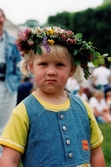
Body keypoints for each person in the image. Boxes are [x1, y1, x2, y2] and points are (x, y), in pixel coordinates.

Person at [0, 26, 106, 167]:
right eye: (43, 64)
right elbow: (9, 160)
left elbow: (96, 153)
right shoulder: (23, 111)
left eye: (60, 65)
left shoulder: (83, 108)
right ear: (31, 67)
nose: (51, 72)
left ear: (72, 69)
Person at [0, 9, 21, 154]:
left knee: (6, 123)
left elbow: (19, 65)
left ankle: (2, 157)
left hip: (8, 85)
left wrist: (15, 80)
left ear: (4, 19)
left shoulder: (13, 43)